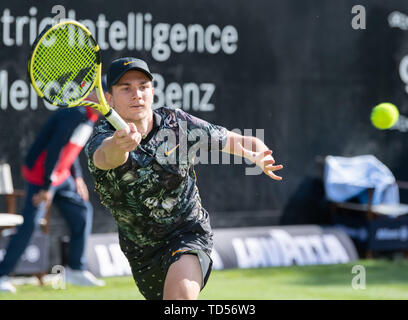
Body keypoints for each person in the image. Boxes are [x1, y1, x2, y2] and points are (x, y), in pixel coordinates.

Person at [84, 57, 283, 300]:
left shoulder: (176, 123)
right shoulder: (102, 138)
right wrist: (120, 144)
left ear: (152, 91)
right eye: (126, 88)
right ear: (110, 98)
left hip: (188, 233)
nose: (137, 94)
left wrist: (258, 153)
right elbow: (106, 157)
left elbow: (240, 141)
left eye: (143, 86)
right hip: (140, 252)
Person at [0, 100, 105, 293]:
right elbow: (55, 149)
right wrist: (46, 186)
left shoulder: (90, 116)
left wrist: (78, 177)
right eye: (106, 94)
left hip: (61, 175)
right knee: (30, 224)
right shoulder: (74, 114)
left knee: (82, 212)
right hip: (42, 174)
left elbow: (69, 150)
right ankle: (2, 275)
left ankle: (76, 269)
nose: (108, 100)